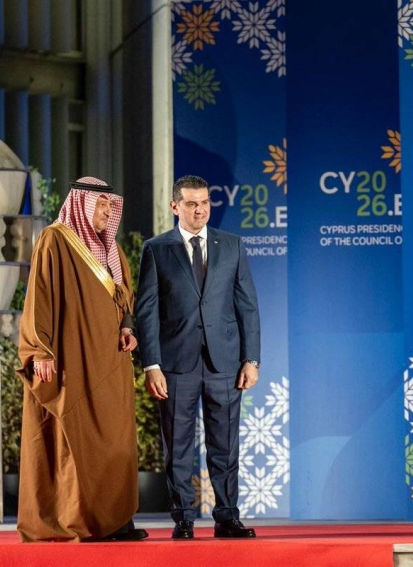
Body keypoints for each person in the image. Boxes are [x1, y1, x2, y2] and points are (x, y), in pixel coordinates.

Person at [17, 176, 147, 542]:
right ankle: (79, 520)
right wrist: (39, 349)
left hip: (111, 361)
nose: (107, 211)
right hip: (72, 361)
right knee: (76, 439)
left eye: (110, 205)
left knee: (114, 439)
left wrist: (127, 326)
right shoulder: (55, 240)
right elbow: (39, 296)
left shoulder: (111, 248)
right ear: (82, 203)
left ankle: (116, 521)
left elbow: (124, 297)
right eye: (100, 204)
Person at [135, 174, 261, 540]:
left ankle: (227, 517)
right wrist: (152, 365)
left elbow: (248, 306)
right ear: (175, 206)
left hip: (226, 364)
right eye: (191, 204)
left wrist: (251, 359)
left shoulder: (233, 245)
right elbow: (147, 311)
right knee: (177, 447)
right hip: (175, 365)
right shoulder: (156, 249)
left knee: (225, 445)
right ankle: (184, 518)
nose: (200, 210)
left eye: (205, 202)